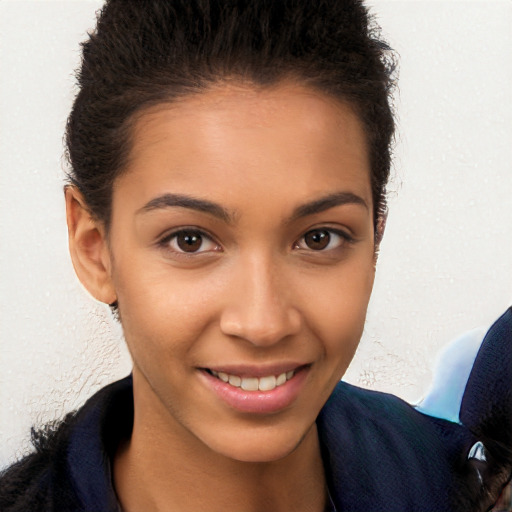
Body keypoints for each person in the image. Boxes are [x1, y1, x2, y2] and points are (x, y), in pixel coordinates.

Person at [0, 1, 511, 511]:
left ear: (375, 235)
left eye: (319, 238)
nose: (263, 324)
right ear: (95, 249)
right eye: (190, 241)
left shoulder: (466, 487)